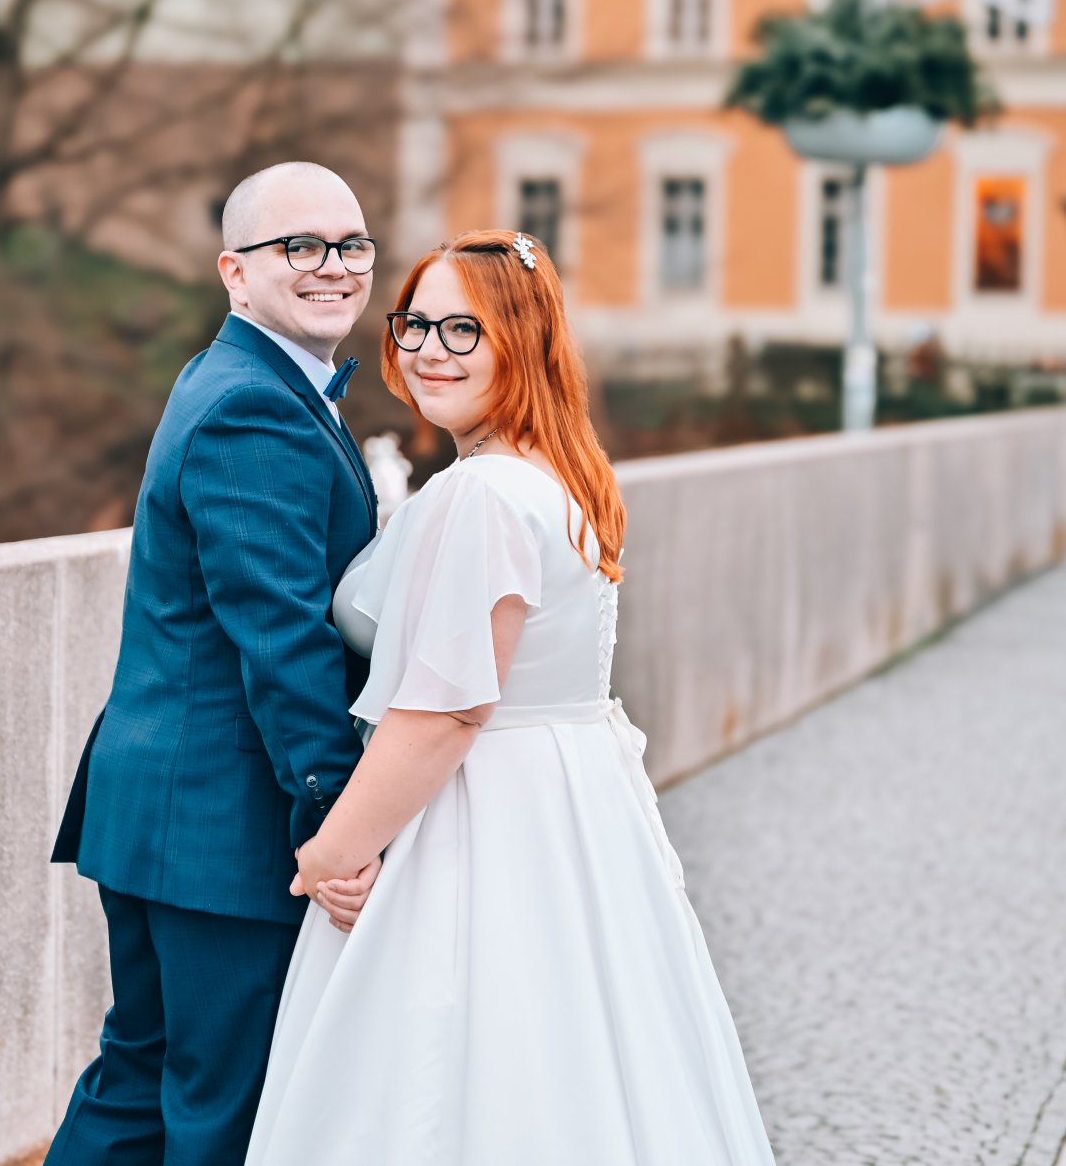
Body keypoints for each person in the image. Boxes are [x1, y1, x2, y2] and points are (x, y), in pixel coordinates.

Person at [246, 229, 777, 1165]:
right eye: (416, 324)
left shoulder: (484, 494)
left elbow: (449, 712)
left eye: (465, 330)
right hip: (569, 813)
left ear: (522, 341)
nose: (430, 350)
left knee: (447, 1074)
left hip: (478, 816)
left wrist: (332, 852)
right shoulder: (561, 473)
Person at [46, 162, 385, 1165]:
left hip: (161, 803)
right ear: (235, 272)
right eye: (300, 246)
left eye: (351, 245)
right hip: (220, 826)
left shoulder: (232, 375)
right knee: (218, 1109)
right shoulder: (255, 407)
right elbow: (280, 638)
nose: (332, 266)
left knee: (141, 1079)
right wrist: (338, 822)